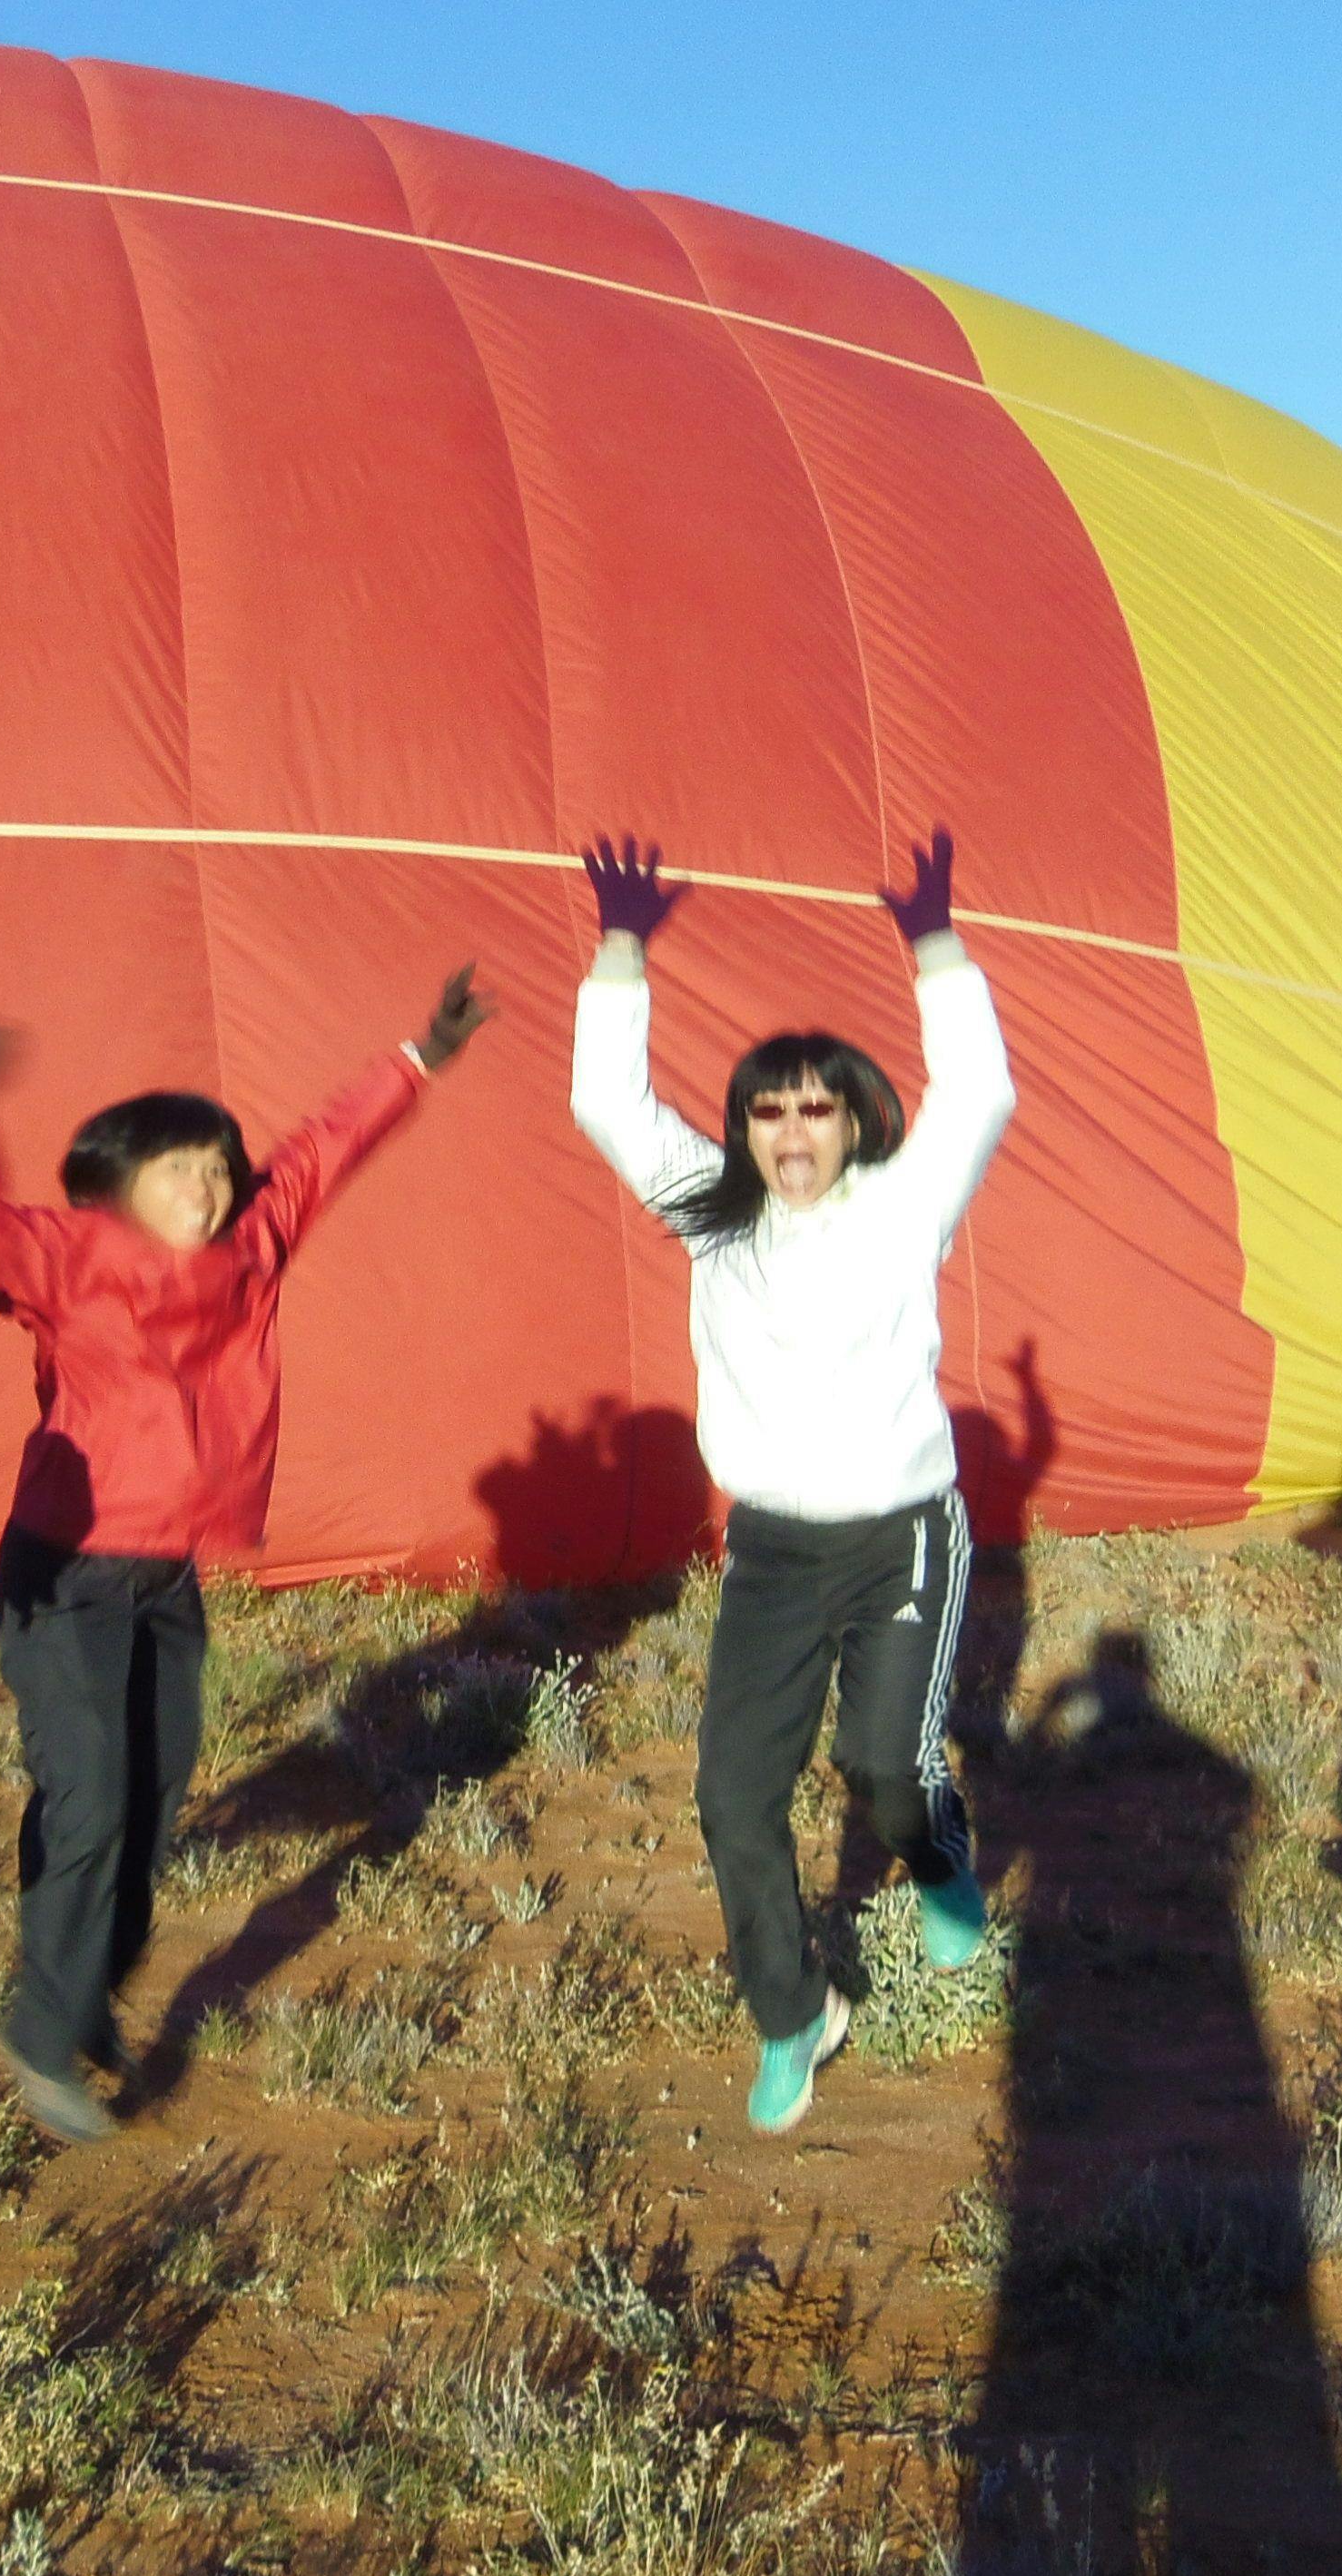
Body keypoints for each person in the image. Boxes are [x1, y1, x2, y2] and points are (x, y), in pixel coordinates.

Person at [0, 969, 493, 2143]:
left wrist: (417, 1059)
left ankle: (82, 1996)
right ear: (116, 1187)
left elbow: (320, 1151)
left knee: (153, 1795)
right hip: (66, 1571)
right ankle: (39, 2026)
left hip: (165, 1574)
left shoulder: (252, 1248)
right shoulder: (67, 1257)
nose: (212, 1183)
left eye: (218, 1163)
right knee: (91, 1802)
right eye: (181, 1166)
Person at [570, 831, 1016, 2135]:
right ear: (744, 1129)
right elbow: (605, 1103)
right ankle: (794, 2012)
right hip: (770, 1549)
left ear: (854, 1116)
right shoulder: (713, 1207)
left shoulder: (902, 1203)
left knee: (884, 1767)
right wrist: (621, 950)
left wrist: (933, 941)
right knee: (731, 1796)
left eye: (815, 1105)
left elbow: (979, 1091)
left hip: (899, 1535)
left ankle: (937, 1865)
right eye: (768, 1108)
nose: (791, 1130)